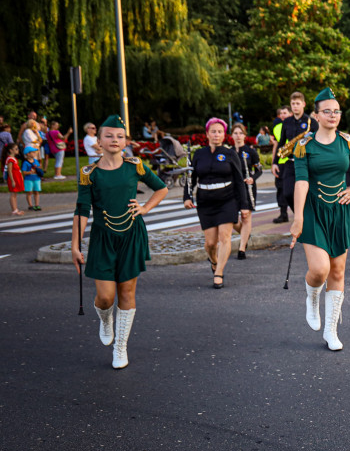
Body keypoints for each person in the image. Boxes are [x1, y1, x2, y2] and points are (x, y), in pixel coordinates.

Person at [71, 115, 168, 369]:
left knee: (127, 291)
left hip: (131, 235)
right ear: (98, 142)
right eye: (109, 135)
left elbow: (161, 188)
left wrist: (145, 207)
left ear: (125, 141)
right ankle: (105, 319)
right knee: (105, 297)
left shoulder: (134, 166)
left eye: (120, 136)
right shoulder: (88, 174)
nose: (115, 140)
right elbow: (82, 210)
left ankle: (121, 347)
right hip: (103, 238)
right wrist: (75, 245)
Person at [290, 88, 350, 351]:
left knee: (337, 271)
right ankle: (312, 296)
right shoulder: (304, 146)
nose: (333, 115)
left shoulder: (346, 141)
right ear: (316, 115)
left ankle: (331, 330)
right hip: (313, 210)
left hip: (340, 210)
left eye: (336, 111)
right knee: (320, 270)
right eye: (327, 111)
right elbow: (301, 182)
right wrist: (298, 217)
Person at [183, 118, 250, 289]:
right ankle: (213, 261)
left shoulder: (229, 154)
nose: (216, 135)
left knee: (224, 237)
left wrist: (243, 205)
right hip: (206, 201)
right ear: (207, 134)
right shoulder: (199, 155)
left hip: (227, 200)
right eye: (213, 131)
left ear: (224, 135)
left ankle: (219, 272)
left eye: (220, 132)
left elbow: (239, 181)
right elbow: (191, 179)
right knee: (210, 244)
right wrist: (187, 197)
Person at [272, 93, 317, 224]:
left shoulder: (311, 122)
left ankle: (307, 217)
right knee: (287, 193)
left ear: (303, 104)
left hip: (307, 162)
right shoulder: (286, 122)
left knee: (308, 193)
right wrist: (275, 162)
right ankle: (300, 215)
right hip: (290, 162)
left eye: (298, 103)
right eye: (293, 104)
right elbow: (281, 142)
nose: (295, 106)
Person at [230, 123, 262, 258]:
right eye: (235, 133)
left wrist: (253, 178)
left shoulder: (250, 151)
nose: (238, 136)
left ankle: (242, 248)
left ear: (244, 135)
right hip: (232, 188)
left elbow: (259, 169)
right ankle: (245, 233)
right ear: (231, 135)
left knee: (246, 217)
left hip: (247, 187)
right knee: (231, 218)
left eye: (240, 133)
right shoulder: (228, 152)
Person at [269, 105, 290, 220]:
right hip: (281, 161)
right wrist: (273, 162)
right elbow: (276, 145)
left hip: (292, 160)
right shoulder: (277, 127)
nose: (282, 115)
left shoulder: (295, 125)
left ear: (290, 114)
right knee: (280, 188)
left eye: (285, 113)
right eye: (281, 113)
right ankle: (283, 213)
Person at [3, 142, 26, 215]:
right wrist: (12, 181)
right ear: (10, 150)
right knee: (13, 194)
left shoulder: (13, 159)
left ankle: (16, 209)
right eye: (16, 149)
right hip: (13, 179)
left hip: (16, 178)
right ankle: (14, 210)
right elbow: (9, 171)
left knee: (15, 194)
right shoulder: (10, 159)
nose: (18, 150)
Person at [21, 146, 44, 211]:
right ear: (28, 154)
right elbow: (24, 172)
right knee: (29, 192)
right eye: (33, 152)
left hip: (36, 178)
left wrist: (38, 168)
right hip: (28, 179)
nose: (35, 154)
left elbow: (39, 168)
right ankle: (30, 205)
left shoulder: (36, 161)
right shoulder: (25, 163)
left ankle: (37, 204)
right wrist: (30, 172)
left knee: (36, 191)